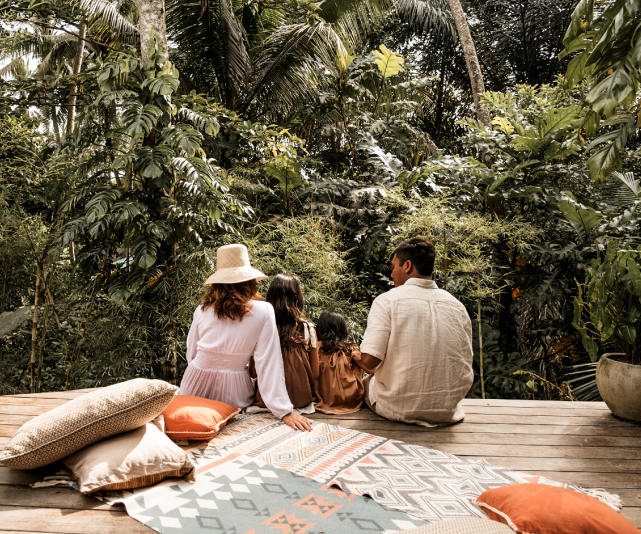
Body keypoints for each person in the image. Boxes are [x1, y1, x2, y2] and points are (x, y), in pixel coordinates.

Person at [178, 244, 312, 431]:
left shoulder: (201, 309)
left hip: (193, 388)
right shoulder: (264, 310)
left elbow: (191, 354)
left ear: (218, 282)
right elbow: (268, 362)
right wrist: (283, 410)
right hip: (234, 394)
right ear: (250, 280)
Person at [359, 237, 474, 427]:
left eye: (394, 266)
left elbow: (369, 360)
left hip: (399, 407)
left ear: (407, 266)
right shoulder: (457, 306)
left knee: (363, 383)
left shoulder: (387, 301)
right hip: (447, 410)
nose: (391, 273)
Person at [252, 274, 319, 411]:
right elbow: (315, 373)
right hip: (301, 399)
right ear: (298, 299)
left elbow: (253, 372)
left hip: (267, 400)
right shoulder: (307, 329)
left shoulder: (260, 327)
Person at [314, 311, 374, 414]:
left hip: (320, 400)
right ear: (342, 330)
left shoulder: (314, 350)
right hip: (349, 402)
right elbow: (373, 370)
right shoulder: (349, 351)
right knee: (372, 378)